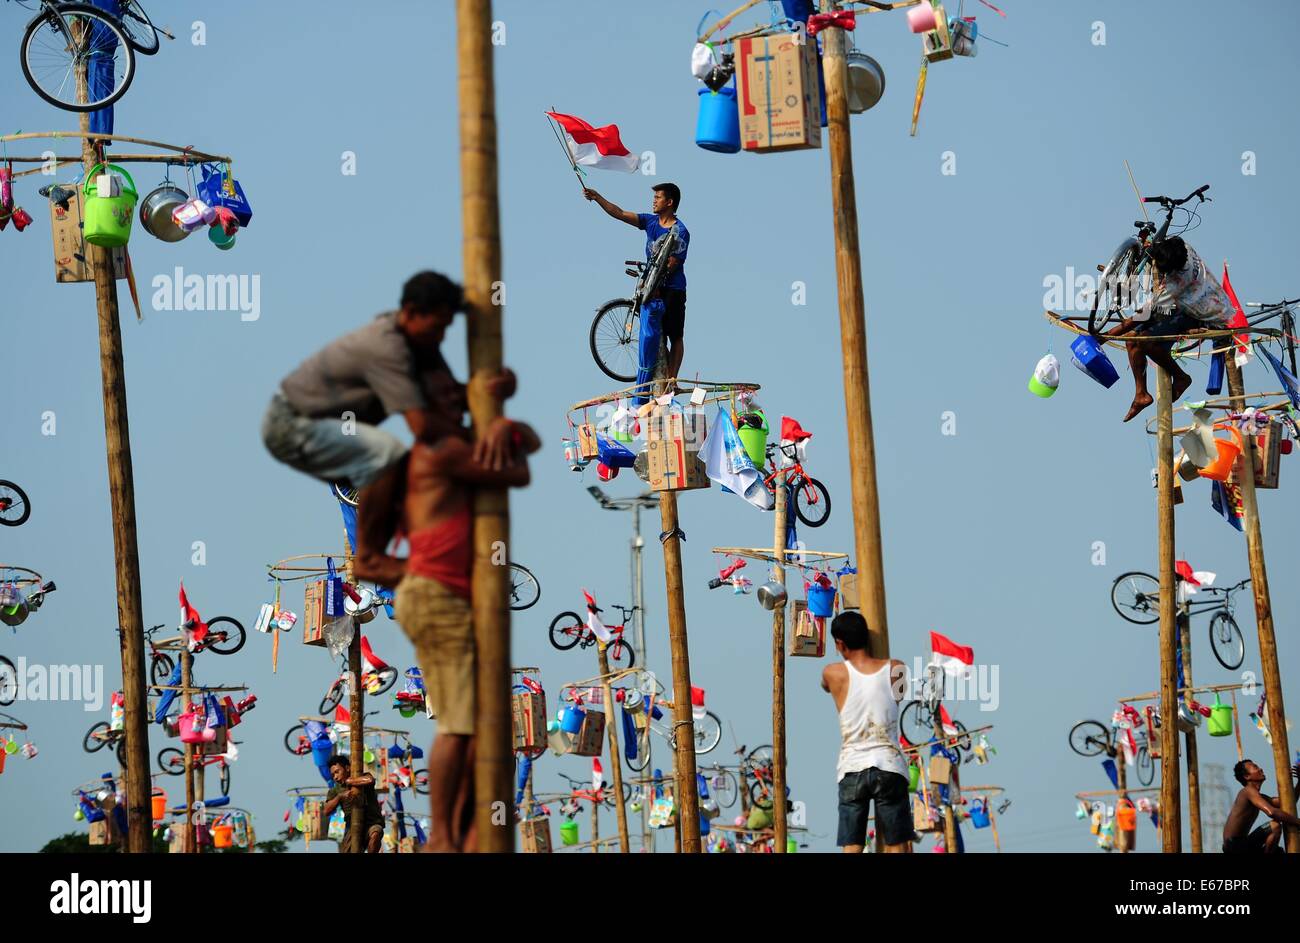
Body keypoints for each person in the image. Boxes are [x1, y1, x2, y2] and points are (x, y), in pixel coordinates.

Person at [353, 370, 540, 852]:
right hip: (436, 602)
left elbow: (521, 465)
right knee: (458, 722)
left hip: (463, 601)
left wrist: (502, 426)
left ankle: (462, 825)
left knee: (474, 718)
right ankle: (443, 832)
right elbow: (369, 560)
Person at [261, 271, 518, 575]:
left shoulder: (422, 344)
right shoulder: (387, 348)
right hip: (291, 424)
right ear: (409, 313)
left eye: (446, 328)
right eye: (437, 326)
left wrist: (495, 388)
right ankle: (369, 557)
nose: (441, 336)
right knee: (389, 453)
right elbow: (421, 425)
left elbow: (451, 400)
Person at [1103, 237, 1231, 422]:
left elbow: (1141, 316)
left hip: (1204, 314)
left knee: (1145, 341)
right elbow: (1162, 246)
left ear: (1173, 270)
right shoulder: (1183, 247)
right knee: (1132, 341)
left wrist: (1104, 336)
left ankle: (1181, 377)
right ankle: (1141, 395)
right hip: (1192, 301)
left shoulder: (1176, 284)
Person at [821, 611, 913, 853]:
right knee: (896, 844)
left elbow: (824, 685)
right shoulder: (897, 668)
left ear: (840, 643)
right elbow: (900, 696)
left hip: (852, 766)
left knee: (852, 845)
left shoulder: (833, 673)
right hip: (890, 765)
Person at [582, 183, 691, 381]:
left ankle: (672, 378)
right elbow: (620, 213)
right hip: (651, 287)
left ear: (669, 202)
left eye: (658, 197)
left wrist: (656, 284)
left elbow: (671, 264)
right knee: (657, 335)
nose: (654, 200)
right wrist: (598, 198)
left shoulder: (680, 231)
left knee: (674, 335)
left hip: (672, 289)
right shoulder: (650, 222)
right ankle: (662, 376)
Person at [1222, 758, 1300, 854]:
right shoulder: (1247, 792)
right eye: (1255, 767)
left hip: (1244, 845)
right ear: (1247, 776)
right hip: (1234, 846)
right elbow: (1272, 812)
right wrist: (1297, 822)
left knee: (1278, 852)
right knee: (1274, 826)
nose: (1260, 769)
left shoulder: (1258, 797)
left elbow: (1288, 802)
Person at [323, 754, 385, 853]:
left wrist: (350, 782)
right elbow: (326, 810)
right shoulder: (335, 791)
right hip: (352, 828)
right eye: (333, 775)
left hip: (371, 823)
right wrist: (340, 797)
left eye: (337, 772)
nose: (335, 777)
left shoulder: (364, 777)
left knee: (375, 834)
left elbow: (370, 780)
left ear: (347, 768)